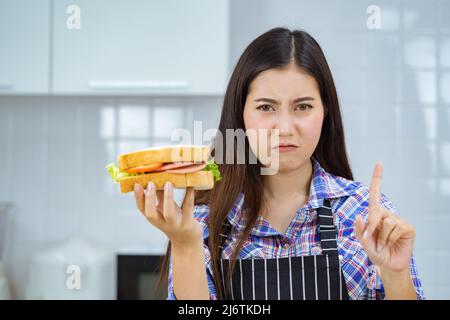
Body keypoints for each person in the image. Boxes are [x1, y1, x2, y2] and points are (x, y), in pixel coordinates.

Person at [133, 27, 425, 300]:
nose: (284, 127)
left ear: (325, 112)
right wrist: (184, 245)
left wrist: (396, 276)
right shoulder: (203, 221)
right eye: (266, 107)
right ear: (241, 115)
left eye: (303, 106)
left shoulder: (365, 214)